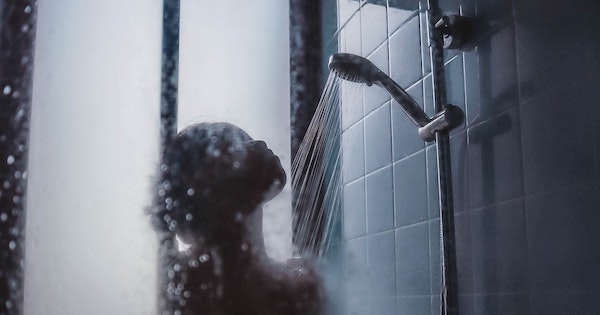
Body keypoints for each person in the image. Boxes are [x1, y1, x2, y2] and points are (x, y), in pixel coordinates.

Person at [152, 122, 324, 315]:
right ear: (211, 184)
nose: (260, 144)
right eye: (238, 145)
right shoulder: (196, 282)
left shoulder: (286, 278)